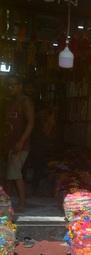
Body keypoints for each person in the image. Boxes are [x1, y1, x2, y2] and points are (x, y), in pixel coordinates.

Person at [0, 74, 34, 213]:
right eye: (8, 85)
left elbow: (31, 123)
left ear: (20, 86)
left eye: (13, 85)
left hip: (19, 146)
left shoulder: (24, 101)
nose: (10, 88)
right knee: (6, 175)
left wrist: (21, 141)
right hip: (7, 145)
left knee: (14, 174)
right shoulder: (11, 102)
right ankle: (6, 201)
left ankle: (22, 203)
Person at [22, 79, 46, 196]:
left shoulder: (39, 101)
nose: (30, 90)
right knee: (24, 163)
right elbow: (25, 118)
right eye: (27, 87)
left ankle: (35, 187)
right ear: (23, 88)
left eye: (32, 88)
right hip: (26, 135)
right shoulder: (21, 102)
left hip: (38, 135)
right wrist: (37, 115)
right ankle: (21, 189)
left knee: (38, 162)